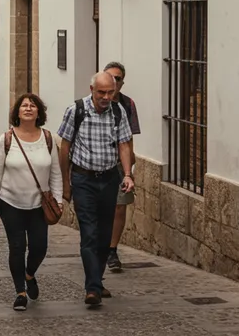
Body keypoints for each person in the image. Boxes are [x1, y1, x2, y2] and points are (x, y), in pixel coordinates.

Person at [57, 72, 134, 308]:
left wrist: (127, 174)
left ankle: (96, 281)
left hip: (109, 179)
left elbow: (124, 144)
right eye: (101, 92)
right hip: (83, 179)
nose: (106, 97)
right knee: (89, 233)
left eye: (110, 92)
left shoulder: (118, 111)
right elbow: (64, 147)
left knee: (104, 235)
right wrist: (66, 183)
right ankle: (92, 288)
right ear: (92, 90)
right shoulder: (76, 110)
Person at [0, 93, 63, 311]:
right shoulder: (6, 139)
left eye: (33, 106)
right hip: (10, 202)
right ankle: (20, 292)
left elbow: (55, 172)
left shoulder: (48, 138)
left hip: (39, 205)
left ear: (39, 112)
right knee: (17, 246)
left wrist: (58, 199)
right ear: (17, 112)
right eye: (24, 105)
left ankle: (29, 274)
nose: (28, 108)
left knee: (39, 247)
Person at [103, 62, 140, 273]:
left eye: (118, 78)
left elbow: (129, 137)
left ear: (122, 83)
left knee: (119, 206)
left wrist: (129, 169)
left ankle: (112, 250)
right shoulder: (89, 104)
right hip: (96, 164)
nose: (114, 81)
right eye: (110, 77)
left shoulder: (128, 105)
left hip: (119, 164)